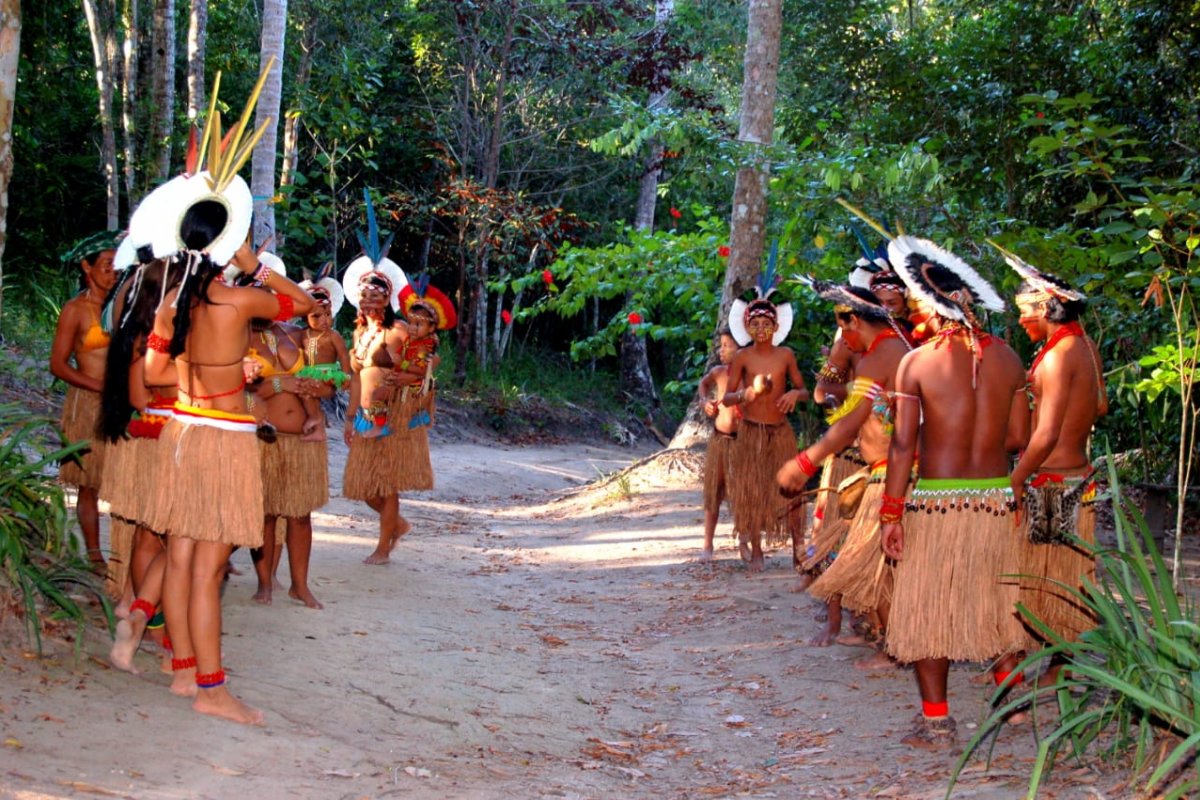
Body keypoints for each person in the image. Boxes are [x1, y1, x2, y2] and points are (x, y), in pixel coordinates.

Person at [144, 62, 315, 724]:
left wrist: (205, 379)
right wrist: (257, 267)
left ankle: (185, 672)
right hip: (222, 442)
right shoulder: (235, 299)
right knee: (208, 567)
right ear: (223, 243)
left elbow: (157, 376)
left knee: (183, 558)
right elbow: (300, 305)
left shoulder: (170, 306)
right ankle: (213, 689)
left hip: (184, 435)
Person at [878, 234, 1030, 749]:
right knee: (996, 599)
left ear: (931, 304)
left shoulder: (916, 364)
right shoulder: (1010, 360)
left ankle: (937, 722)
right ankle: (1014, 708)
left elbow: (902, 449)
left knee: (929, 607)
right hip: (993, 500)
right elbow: (1018, 440)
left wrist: (890, 513)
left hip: (937, 503)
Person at [778, 281, 911, 647]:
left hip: (893, 472)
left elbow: (850, 422)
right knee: (874, 562)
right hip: (883, 470)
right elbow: (830, 396)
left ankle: (893, 646)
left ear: (854, 320)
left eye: (842, 325)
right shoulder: (888, 349)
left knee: (878, 562)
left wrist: (805, 461)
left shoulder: (883, 354)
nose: (842, 338)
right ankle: (888, 642)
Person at [1000, 244, 1106, 676]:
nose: (1023, 319)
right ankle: (1056, 669)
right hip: (1077, 477)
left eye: (1026, 310)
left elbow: (1043, 435)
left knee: (1039, 578)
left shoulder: (1058, 357)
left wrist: (1016, 480)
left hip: (1051, 484)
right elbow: (1100, 406)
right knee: (1060, 578)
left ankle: (1042, 666)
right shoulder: (1084, 346)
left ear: (1046, 308)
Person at [341, 191, 424, 564]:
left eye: (377, 291)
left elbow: (422, 370)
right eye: (365, 292)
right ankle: (397, 524)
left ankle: (382, 546)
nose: (370, 296)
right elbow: (358, 377)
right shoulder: (359, 335)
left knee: (385, 484)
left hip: (392, 417)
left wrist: (399, 389)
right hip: (364, 416)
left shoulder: (402, 331)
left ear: (388, 297)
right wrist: (348, 417)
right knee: (363, 487)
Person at [721, 257, 810, 572]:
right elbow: (728, 397)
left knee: (791, 489)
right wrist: (745, 394)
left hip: (780, 432)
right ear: (747, 327)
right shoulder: (743, 357)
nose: (761, 329)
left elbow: (804, 390)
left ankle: (798, 549)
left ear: (776, 326)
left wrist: (792, 394)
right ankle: (756, 550)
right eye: (755, 324)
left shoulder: (786, 355)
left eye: (766, 324)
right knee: (754, 491)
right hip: (752, 433)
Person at [246, 315, 329, 609]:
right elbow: (242, 394)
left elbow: (330, 385)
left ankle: (300, 585)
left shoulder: (296, 334)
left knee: (300, 516)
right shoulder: (236, 336)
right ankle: (264, 582)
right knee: (265, 514)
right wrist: (281, 384)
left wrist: (315, 397)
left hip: (301, 441)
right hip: (264, 438)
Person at [50, 231, 121, 570]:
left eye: (117, 267)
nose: (113, 273)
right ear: (86, 268)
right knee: (88, 483)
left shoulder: (123, 306)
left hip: (121, 403)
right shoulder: (76, 310)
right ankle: (95, 555)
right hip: (87, 405)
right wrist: (97, 386)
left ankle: (125, 554)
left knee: (124, 478)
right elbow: (58, 364)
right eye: (107, 266)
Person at [698, 329, 740, 560]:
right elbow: (702, 385)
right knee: (714, 490)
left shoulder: (751, 374)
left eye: (727, 345)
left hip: (743, 442)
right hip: (719, 438)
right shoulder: (718, 372)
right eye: (721, 345)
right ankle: (707, 544)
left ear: (741, 348)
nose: (721, 350)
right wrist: (705, 401)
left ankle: (745, 540)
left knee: (743, 491)